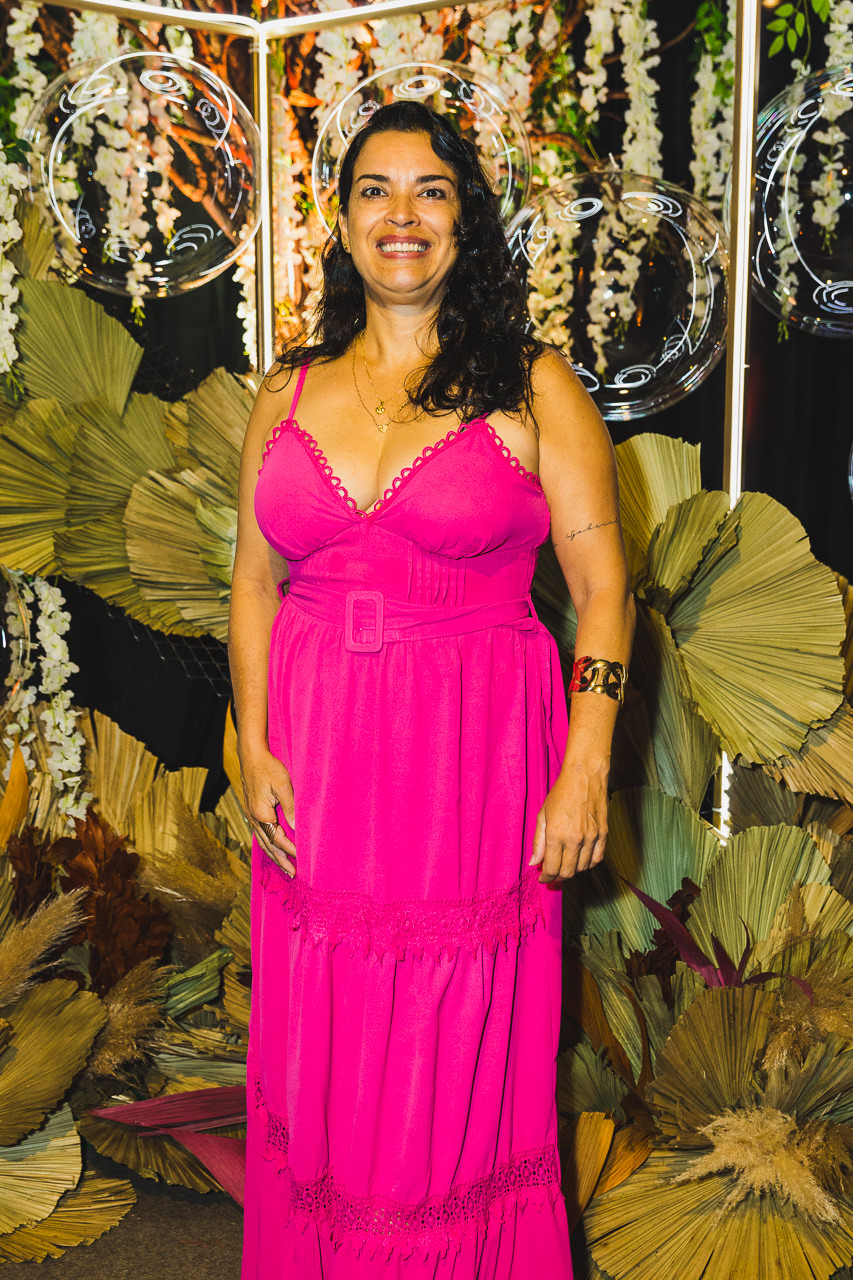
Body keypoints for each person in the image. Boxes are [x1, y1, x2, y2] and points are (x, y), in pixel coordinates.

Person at [229, 99, 634, 1279]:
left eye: (430, 190)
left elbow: (603, 590)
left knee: (442, 1049)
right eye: (375, 189)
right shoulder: (286, 389)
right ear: (342, 220)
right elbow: (251, 581)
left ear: (467, 218)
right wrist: (251, 741)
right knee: (326, 1047)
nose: (400, 214)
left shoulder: (534, 385)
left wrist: (586, 765)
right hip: (315, 767)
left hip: (469, 772)